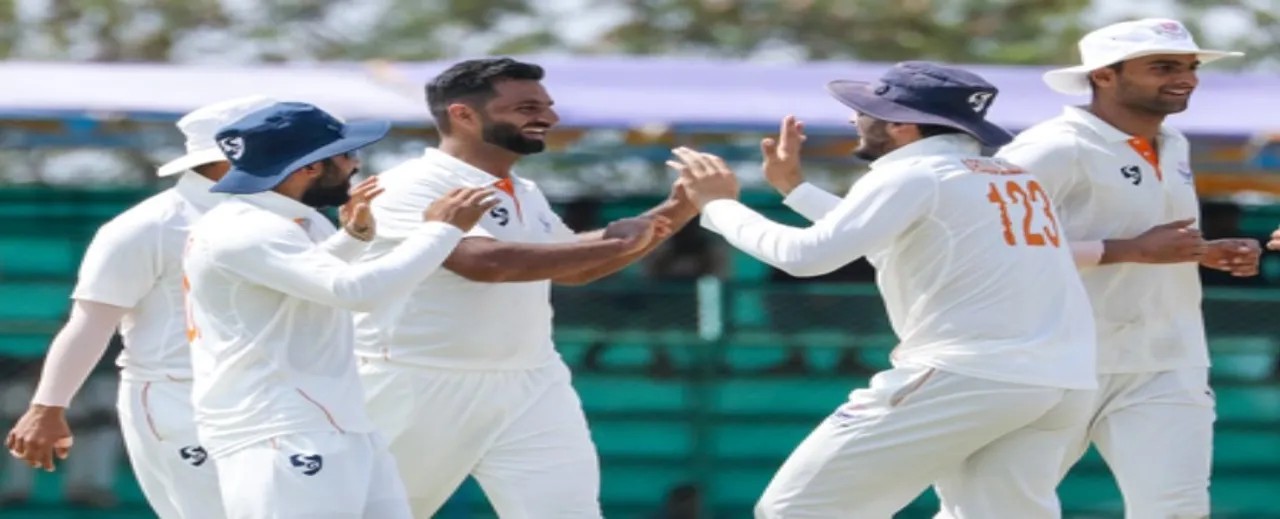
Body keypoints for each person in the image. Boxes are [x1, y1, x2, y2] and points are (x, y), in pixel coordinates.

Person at [668, 61, 1098, 518]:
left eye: (864, 111)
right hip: (1061, 382)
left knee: (796, 511)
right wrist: (796, 191)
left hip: (971, 376)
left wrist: (718, 205)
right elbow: (893, 242)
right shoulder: (1010, 177)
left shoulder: (912, 174)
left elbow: (805, 257)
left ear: (901, 126)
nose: (855, 119)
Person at [352, 57, 698, 518]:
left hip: (531, 382)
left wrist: (680, 206)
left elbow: (572, 267)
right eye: (526, 107)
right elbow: (486, 263)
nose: (548, 118)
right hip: (416, 380)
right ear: (464, 115)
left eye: (547, 105)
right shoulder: (408, 184)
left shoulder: (524, 189)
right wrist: (622, 239)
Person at [990, 19, 1260, 519]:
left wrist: (1207, 251)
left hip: (1166, 362)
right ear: (1103, 76)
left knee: (1176, 511)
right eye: (1163, 67)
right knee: (996, 510)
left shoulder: (1173, 143)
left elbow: (1149, 239)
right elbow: (983, 247)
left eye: (1189, 67)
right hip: (1054, 362)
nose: (1186, 79)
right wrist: (1125, 250)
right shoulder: (1049, 147)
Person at [182, 101, 497, 519]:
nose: (355, 163)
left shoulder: (284, 222)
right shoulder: (245, 228)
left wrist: (353, 238)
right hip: (280, 430)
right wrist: (442, 229)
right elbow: (356, 292)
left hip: (336, 423)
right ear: (309, 167)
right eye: (347, 153)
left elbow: (300, 288)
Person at [4, 95, 279, 519]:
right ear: (231, 158)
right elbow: (92, 322)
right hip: (178, 401)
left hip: (266, 398)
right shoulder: (148, 225)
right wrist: (47, 407)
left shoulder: (283, 218)